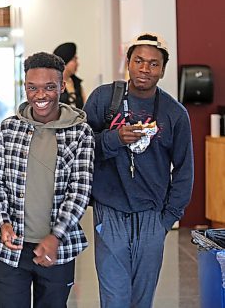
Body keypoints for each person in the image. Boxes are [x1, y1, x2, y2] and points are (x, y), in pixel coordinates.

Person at [83, 33, 194, 308]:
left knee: (142, 299)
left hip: (152, 215)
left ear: (163, 69)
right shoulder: (103, 98)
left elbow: (184, 170)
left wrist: (167, 219)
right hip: (110, 210)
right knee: (115, 296)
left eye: (153, 64)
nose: (145, 69)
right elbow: (79, 150)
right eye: (139, 61)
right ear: (128, 63)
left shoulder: (174, 113)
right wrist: (114, 139)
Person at [0, 52, 95, 308]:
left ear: (61, 86)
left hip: (58, 249)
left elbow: (79, 191)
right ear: (25, 88)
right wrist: (3, 223)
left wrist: (55, 237)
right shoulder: (8, 129)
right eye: (32, 88)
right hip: (11, 249)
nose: (40, 95)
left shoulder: (80, 133)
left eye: (49, 87)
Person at [53, 42, 86, 108]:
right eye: (74, 60)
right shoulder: (52, 85)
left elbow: (85, 105)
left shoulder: (77, 82)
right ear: (65, 62)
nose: (77, 64)